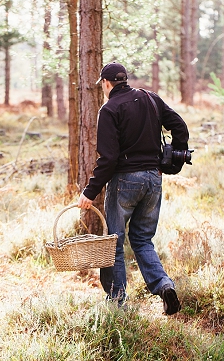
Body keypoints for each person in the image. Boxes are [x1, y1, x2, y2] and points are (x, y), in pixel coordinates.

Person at [77, 62, 189, 315]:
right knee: (142, 239)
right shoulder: (151, 98)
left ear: (106, 83)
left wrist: (90, 192)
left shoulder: (109, 109)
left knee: (113, 242)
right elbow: (179, 126)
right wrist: (172, 159)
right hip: (153, 179)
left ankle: (116, 302)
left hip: (125, 182)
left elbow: (108, 159)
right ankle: (163, 284)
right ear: (124, 80)